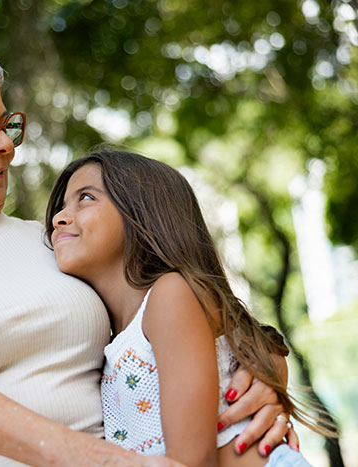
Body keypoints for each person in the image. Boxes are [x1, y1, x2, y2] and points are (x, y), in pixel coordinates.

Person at [0, 39, 294, 466]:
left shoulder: (57, 242)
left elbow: (189, 316)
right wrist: (107, 463)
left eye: (7, 125)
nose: (6, 145)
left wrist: (261, 378)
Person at [45, 149, 328, 466]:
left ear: (140, 214)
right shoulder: (121, 336)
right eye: (61, 205)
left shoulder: (170, 294)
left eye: (85, 197)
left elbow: (193, 461)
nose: (59, 217)